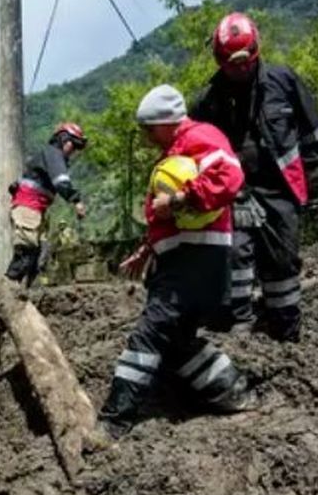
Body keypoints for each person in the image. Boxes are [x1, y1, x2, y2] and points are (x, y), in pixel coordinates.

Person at [97, 85, 258, 439]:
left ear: (166, 122)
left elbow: (229, 178)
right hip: (186, 259)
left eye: (149, 129)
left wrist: (181, 200)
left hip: (195, 260)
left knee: (150, 334)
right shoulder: (178, 149)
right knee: (176, 341)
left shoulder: (200, 137)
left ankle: (114, 421)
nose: (146, 137)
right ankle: (234, 392)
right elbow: (166, 216)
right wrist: (148, 247)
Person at [190, 12, 318, 341]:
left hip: (280, 192)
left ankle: (286, 331)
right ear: (219, 60)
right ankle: (238, 332)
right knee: (235, 255)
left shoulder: (284, 81)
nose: (240, 69)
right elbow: (192, 154)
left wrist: (291, 177)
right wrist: (229, 190)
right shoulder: (207, 103)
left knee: (282, 264)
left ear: (256, 50)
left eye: (245, 61)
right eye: (231, 63)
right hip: (235, 193)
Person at [6, 123, 88, 286]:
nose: (74, 151)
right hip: (28, 207)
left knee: (37, 258)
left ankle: (22, 296)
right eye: (74, 144)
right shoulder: (53, 154)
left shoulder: (46, 156)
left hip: (34, 209)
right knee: (26, 254)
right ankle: (6, 294)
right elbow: (61, 182)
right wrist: (76, 201)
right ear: (63, 139)